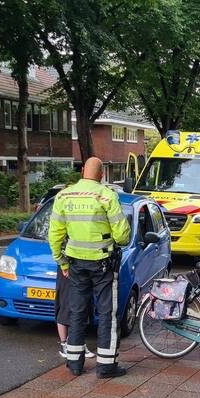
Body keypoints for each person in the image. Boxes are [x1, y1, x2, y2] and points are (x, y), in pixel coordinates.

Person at [48, 157, 131, 378]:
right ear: (102, 174)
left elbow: (54, 235)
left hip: (75, 264)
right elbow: (122, 236)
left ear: (82, 170)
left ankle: (74, 363)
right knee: (107, 314)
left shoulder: (63, 196)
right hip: (103, 265)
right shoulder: (107, 196)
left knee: (77, 312)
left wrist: (62, 262)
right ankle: (106, 366)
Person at [52, 162, 95, 361]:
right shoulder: (65, 205)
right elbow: (57, 236)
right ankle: (65, 344)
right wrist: (63, 263)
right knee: (68, 304)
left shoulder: (66, 202)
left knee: (77, 304)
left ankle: (75, 343)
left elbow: (56, 236)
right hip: (70, 263)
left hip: (76, 261)